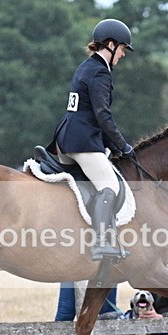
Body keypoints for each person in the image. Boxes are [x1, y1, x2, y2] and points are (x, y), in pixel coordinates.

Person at [52, 18, 137, 261]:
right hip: (82, 141)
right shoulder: (100, 72)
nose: (122, 55)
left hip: (66, 137)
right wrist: (123, 145)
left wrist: (111, 146)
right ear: (110, 45)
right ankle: (101, 243)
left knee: (91, 185)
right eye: (122, 49)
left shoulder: (85, 66)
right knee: (109, 185)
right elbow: (102, 115)